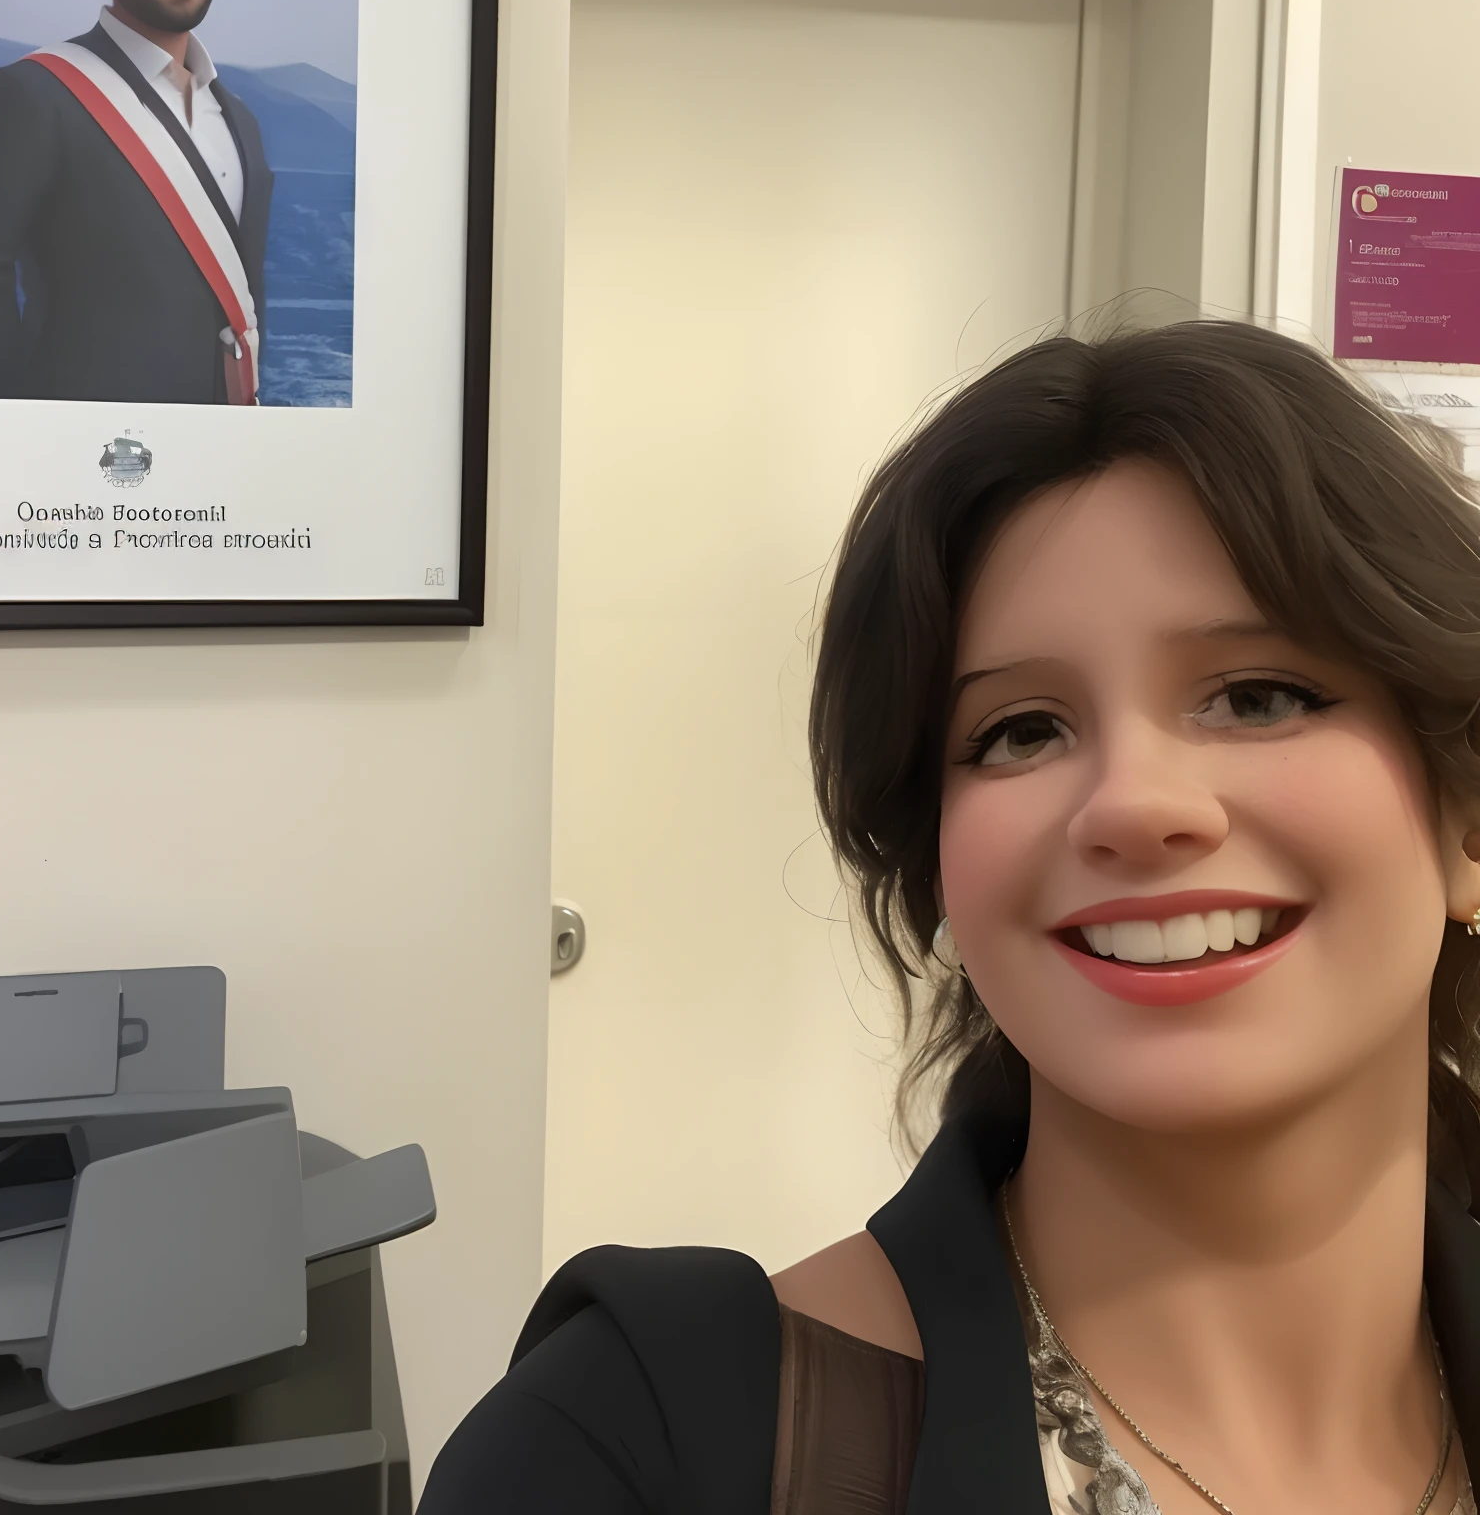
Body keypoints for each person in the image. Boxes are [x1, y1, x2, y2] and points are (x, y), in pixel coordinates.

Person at [420, 319, 1480, 1515]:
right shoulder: (631, 1447)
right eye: (1020, 729)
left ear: (1467, 819)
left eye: (1258, 695)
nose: (1133, 803)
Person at [0, 0, 273, 405]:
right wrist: (27, 416)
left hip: (222, 440)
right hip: (89, 447)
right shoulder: (37, 92)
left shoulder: (237, 116)